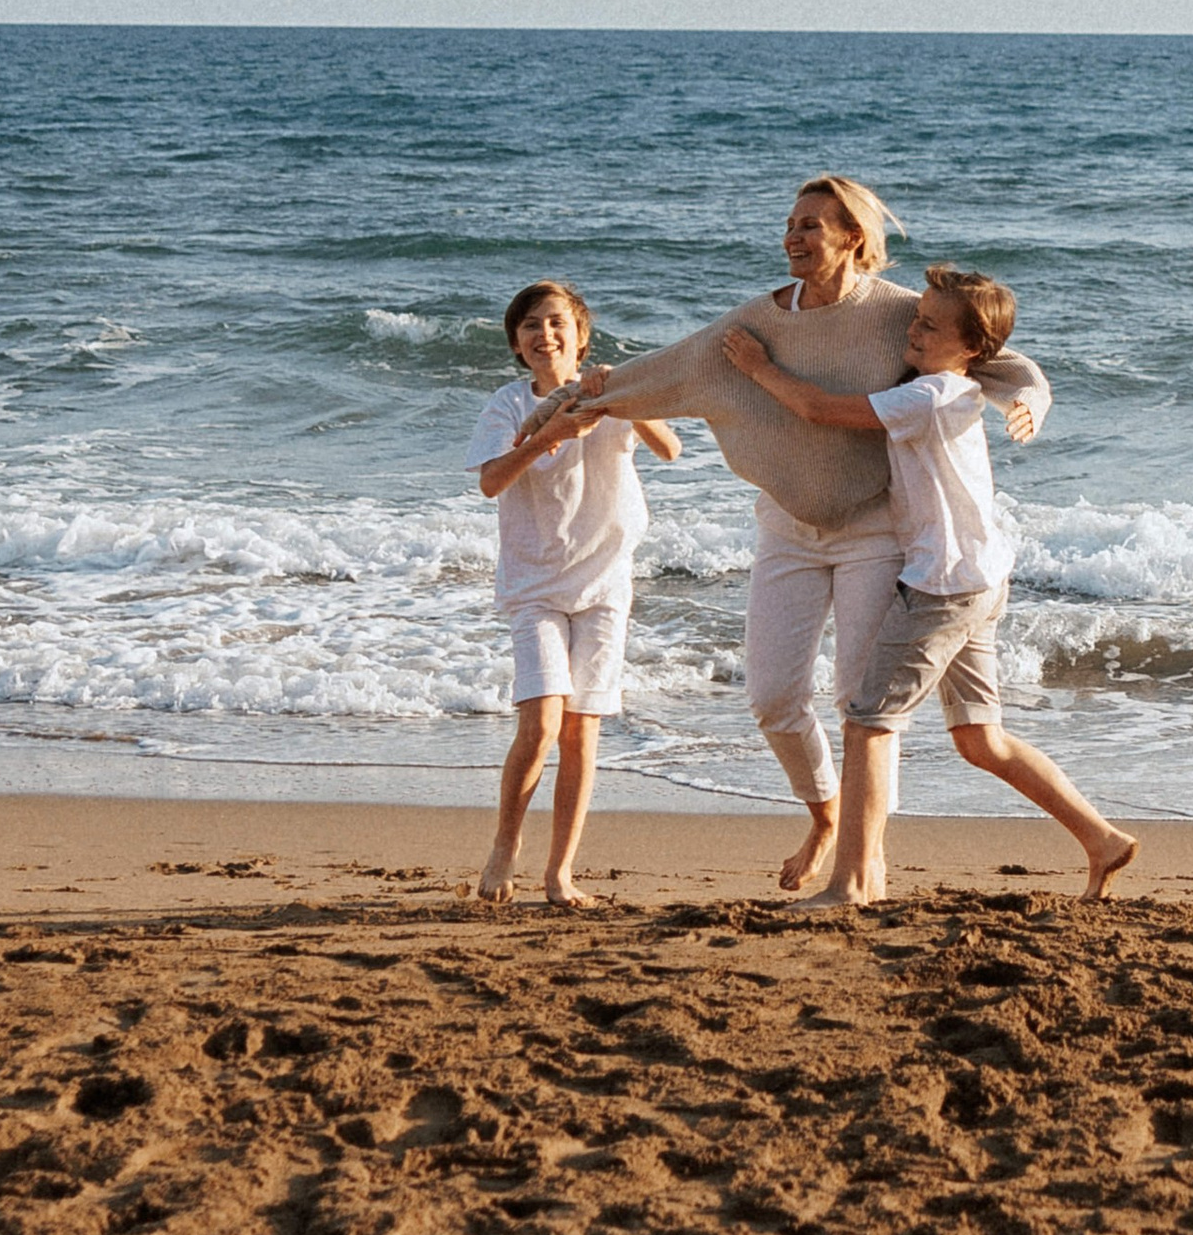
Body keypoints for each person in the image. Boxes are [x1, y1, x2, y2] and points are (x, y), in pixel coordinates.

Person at [516, 177, 1051, 893]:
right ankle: (825, 813)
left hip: (876, 528)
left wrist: (1028, 399)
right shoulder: (753, 325)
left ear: (853, 237)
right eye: (791, 224)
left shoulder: (899, 316)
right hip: (788, 529)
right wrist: (568, 398)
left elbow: (993, 357)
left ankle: (866, 865)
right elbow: (666, 370)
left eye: (813, 226)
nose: (794, 237)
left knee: (861, 700)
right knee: (772, 695)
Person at [723, 263, 1137, 910]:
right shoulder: (955, 382)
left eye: (929, 326)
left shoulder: (932, 396)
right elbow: (1012, 369)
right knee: (980, 739)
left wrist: (756, 367)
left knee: (867, 719)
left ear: (971, 347)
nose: (911, 332)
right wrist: (1030, 396)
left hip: (941, 587)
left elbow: (820, 408)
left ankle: (853, 882)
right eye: (914, 318)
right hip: (982, 578)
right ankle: (1102, 838)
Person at [469, 280, 680, 907]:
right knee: (540, 723)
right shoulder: (508, 406)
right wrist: (547, 433)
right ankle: (505, 847)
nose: (546, 335)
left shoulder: (613, 393)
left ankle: (560, 873)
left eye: (558, 323)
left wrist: (624, 398)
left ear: (581, 336)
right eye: (531, 325)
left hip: (604, 581)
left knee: (582, 732)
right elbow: (489, 483)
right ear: (516, 342)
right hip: (534, 583)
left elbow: (670, 449)